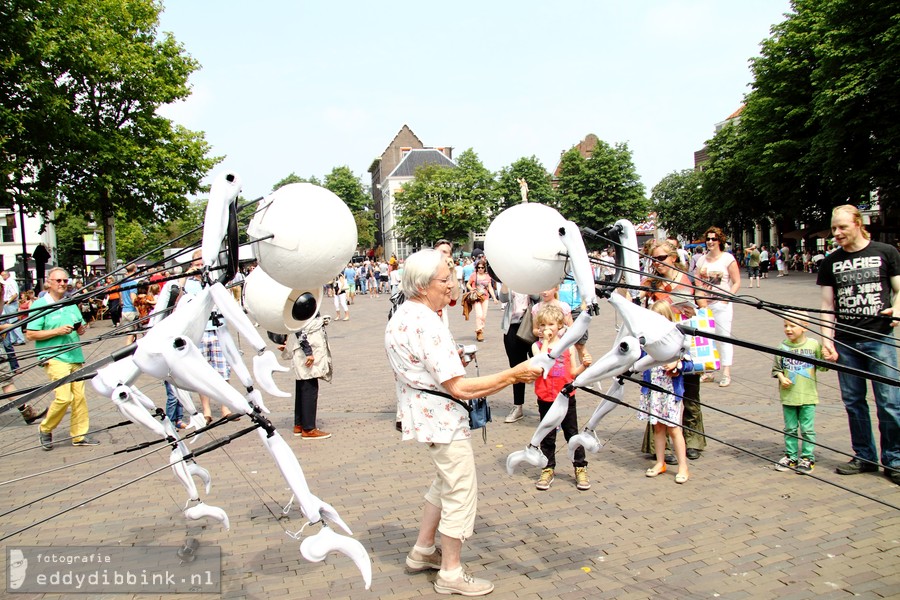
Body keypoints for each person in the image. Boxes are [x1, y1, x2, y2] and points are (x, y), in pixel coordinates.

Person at [385, 249, 540, 597]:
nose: (452, 286)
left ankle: (423, 550)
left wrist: (453, 362)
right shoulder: (427, 322)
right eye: (444, 280)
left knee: (444, 482)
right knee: (459, 490)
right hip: (440, 417)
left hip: (424, 413)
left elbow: (431, 371)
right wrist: (514, 374)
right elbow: (459, 387)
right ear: (423, 286)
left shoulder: (404, 315)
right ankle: (451, 572)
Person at [818, 205, 900, 483]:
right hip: (846, 342)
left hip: (880, 339)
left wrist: (897, 308)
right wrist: (827, 341)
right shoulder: (830, 262)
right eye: (834, 228)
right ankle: (864, 456)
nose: (837, 233)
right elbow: (827, 306)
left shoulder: (885, 252)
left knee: (890, 402)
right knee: (854, 402)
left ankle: (895, 459)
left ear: (858, 223)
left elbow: (899, 289)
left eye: (842, 227)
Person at [639, 240, 707, 462]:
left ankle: (693, 440)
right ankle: (659, 446)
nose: (657, 263)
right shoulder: (651, 284)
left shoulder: (690, 280)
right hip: (661, 344)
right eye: (653, 260)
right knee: (659, 392)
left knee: (690, 392)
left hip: (687, 342)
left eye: (661, 258)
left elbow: (703, 309)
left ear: (673, 258)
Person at [27, 267, 99, 449]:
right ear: (49, 283)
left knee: (79, 398)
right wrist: (57, 331)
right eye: (58, 281)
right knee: (63, 397)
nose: (62, 284)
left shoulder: (70, 303)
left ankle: (79, 435)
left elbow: (81, 326)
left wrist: (81, 329)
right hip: (54, 356)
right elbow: (30, 334)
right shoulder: (40, 305)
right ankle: (45, 428)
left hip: (75, 355)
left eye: (65, 281)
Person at [531, 304, 593, 491]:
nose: (545, 329)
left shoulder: (569, 347)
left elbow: (573, 372)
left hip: (565, 395)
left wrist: (585, 365)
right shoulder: (537, 346)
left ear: (559, 325)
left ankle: (580, 467)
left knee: (572, 433)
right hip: (545, 397)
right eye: (542, 325)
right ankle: (548, 468)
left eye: (550, 324)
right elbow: (542, 362)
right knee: (547, 434)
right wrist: (548, 342)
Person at [639, 302, 690, 484]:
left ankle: (683, 465)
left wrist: (678, 365)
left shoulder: (678, 338)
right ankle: (660, 462)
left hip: (670, 390)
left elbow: (690, 362)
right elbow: (639, 359)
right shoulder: (646, 340)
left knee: (674, 429)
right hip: (653, 390)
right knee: (658, 427)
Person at [772, 313, 825, 474]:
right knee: (790, 428)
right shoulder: (782, 347)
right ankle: (791, 456)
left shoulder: (814, 345)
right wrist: (781, 378)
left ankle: (808, 457)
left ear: (804, 327)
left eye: (792, 325)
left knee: (807, 429)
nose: (788, 329)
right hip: (788, 396)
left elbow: (823, 367)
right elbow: (776, 369)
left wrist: (828, 357)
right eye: (785, 325)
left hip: (808, 396)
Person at [696, 226, 741, 387]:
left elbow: (736, 282)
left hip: (721, 304)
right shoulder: (702, 260)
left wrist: (727, 299)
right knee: (707, 338)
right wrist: (700, 300)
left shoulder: (727, 259)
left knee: (723, 337)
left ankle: (726, 371)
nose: (710, 242)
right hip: (706, 304)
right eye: (708, 239)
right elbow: (697, 281)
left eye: (713, 239)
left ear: (719, 241)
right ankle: (709, 371)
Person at [281, 313, 333, 440]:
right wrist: (308, 352)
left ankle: (299, 424)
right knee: (309, 386)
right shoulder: (303, 299)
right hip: (306, 348)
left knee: (302, 385)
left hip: (302, 346)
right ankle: (309, 428)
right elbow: (299, 328)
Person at [498, 283, 534, 423]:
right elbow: (503, 298)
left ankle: (546, 402)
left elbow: (537, 297)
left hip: (531, 327)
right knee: (516, 369)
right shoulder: (510, 280)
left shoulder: (530, 278)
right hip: (512, 328)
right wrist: (506, 280)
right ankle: (518, 406)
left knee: (541, 365)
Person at [465, 260, 498, 342]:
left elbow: (490, 288)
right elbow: (468, 284)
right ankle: (479, 331)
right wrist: (471, 289)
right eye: (478, 267)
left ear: (484, 268)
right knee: (479, 314)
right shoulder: (474, 275)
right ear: (476, 268)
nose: (480, 269)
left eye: (482, 267)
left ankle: (481, 330)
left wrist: (494, 297)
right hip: (476, 298)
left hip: (485, 298)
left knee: (484, 316)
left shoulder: (487, 277)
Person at [120, 263, 140, 344]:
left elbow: (121, 297)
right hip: (132, 310)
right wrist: (139, 311)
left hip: (124, 310)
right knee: (141, 332)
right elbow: (133, 298)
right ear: (134, 270)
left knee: (129, 335)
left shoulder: (123, 283)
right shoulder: (133, 283)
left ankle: (128, 353)